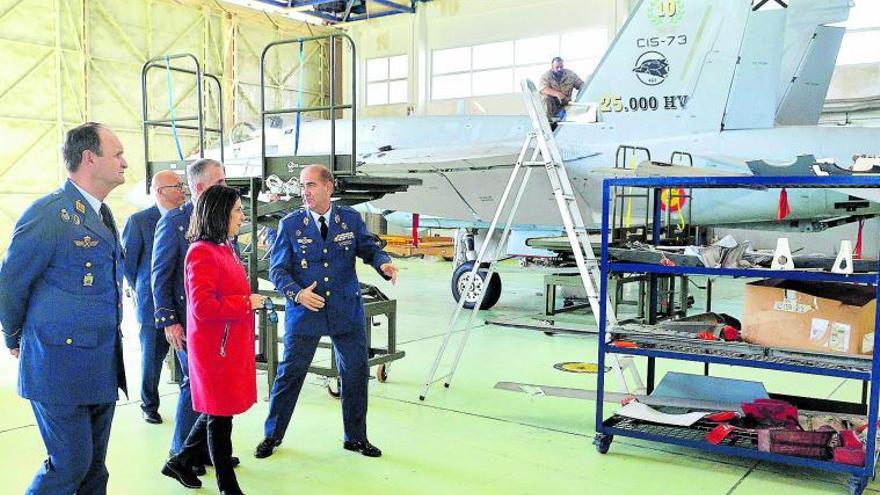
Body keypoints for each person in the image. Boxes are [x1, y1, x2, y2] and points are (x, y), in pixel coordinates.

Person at [0, 122, 128, 494]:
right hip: (58, 365)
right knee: (70, 464)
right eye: (117, 154)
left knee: (94, 470)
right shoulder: (49, 214)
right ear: (90, 158)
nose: (124, 162)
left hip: (100, 362)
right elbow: (10, 281)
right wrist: (14, 334)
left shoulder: (102, 214)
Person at [255, 164, 398, 459]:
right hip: (305, 313)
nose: (305, 192)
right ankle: (272, 436)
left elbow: (368, 248)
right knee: (289, 376)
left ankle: (356, 438)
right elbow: (278, 271)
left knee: (356, 374)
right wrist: (298, 294)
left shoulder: (350, 219)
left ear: (329, 188)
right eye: (302, 186)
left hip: (345, 311)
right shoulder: (291, 224)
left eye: (311, 185)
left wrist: (382, 263)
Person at [162, 185, 262, 494]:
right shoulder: (202, 252)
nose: (242, 216)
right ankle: (227, 487)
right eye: (237, 211)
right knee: (220, 417)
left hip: (228, 344)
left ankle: (179, 461)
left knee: (217, 409)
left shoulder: (224, 247)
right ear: (219, 214)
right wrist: (247, 303)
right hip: (214, 348)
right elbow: (203, 306)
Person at [151, 158, 238, 469]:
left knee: (215, 388)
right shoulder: (175, 222)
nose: (225, 188)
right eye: (219, 184)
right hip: (190, 322)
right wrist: (169, 321)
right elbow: (160, 275)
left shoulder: (223, 219)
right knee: (195, 385)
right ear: (200, 188)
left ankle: (208, 450)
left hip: (221, 324)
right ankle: (181, 452)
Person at [123, 170, 187, 424]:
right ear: (160, 191)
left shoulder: (187, 218)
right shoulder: (139, 221)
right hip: (152, 305)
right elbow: (128, 264)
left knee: (187, 360)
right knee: (152, 359)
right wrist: (140, 290)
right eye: (177, 186)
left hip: (182, 303)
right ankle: (149, 404)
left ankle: (189, 401)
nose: (183, 189)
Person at [539, 56, 584, 122]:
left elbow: (582, 85)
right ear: (552, 67)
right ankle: (548, 122)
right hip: (552, 107)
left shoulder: (570, 74)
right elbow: (543, 89)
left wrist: (578, 99)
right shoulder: (545, 76)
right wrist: (558, 94)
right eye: (557, 67)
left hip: (566, 105)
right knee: (545, 98)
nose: (559, 69)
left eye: (561, 67)